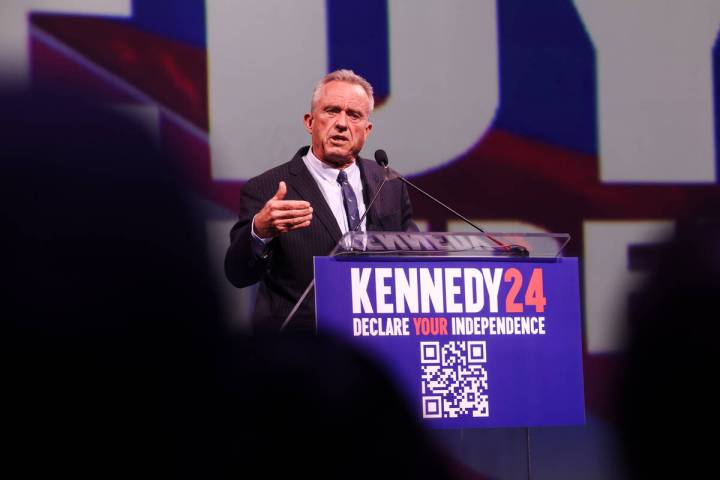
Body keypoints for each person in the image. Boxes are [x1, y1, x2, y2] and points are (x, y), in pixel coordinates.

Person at [224, 69, 417, 333]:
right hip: (300, 350)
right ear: (309, 121)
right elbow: (238, 273)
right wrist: (260, 232)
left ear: (367, 129)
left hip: (377, 345)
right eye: (331, 111)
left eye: (354, 115)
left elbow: (415, 262)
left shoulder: (390, 184)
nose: (341, 123)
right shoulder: (267, 188)